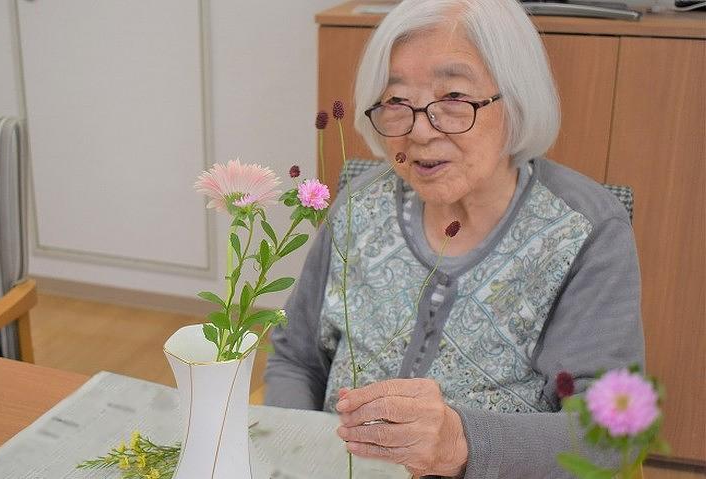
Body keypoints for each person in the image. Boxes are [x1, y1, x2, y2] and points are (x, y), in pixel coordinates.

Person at [264, 0, 643, 477]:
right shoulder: (361, 205)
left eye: (454, 99)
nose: (420, 130)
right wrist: (296, 456)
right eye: (398, 102)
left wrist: (459, 442)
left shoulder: (585, 230)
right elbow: (295, 359)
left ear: (517, 99)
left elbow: (611, 436)